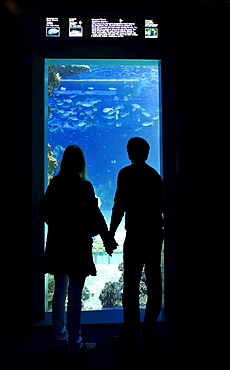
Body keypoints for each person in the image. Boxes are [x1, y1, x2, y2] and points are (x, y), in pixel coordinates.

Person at [39, 145, 117, 356]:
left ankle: (58, 338)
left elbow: (42, 211)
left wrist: (59, 224)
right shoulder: (84, 186)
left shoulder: (55, 184)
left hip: (58, 244)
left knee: (59, 292)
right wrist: (107, 239)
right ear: (81, 163)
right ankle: (75, 343)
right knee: (74, 295)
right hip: (78, 245)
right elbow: (97, 216)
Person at [109, 137, 163, 352]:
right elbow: (162, 205)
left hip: (135, 235)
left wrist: (111, 233)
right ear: (147, 153)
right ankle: (150, 331)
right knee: (154, 283)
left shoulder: (125, 173)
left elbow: (118, 206)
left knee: (130, 285)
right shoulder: (155, 176)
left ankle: (129, 334)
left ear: (130, 152)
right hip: (154, 235)